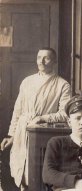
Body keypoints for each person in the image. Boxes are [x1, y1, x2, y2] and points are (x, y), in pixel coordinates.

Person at [0, 47, 70, 190]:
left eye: (46, 58)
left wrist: (43, 118)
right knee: (22, 172)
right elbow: (18, 111)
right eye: (39, 57)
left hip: (43, 135)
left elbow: (65, 113)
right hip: (22, 132)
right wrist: (11, 135)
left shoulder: (62, 84)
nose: (41, 61)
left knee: (38, 175)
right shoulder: (27, 81)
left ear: (54, 61)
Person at [43, 96, 82, 191]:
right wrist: (76, 182)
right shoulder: (56, 143)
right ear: (69, 122)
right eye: (77, 118)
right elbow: (48, 174)